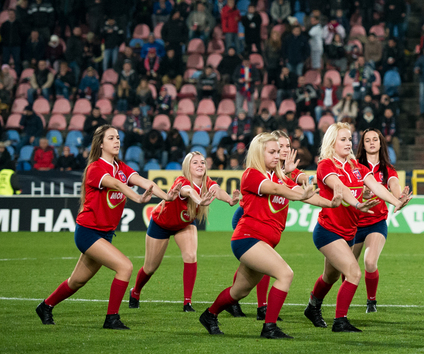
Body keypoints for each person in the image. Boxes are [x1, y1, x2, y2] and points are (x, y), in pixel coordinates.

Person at [36, 126, 178, 329]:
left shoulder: (121, 167)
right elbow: (118, 185)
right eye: (111, 138)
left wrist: (168, 197)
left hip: (105, 234)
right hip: (88, 232)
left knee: (77, 281)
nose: (117, 141)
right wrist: (138, 198)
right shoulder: (95, 168)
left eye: (118, 137)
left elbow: (146, 182)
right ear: (101, 144)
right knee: (125, 267)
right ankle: (111, 319)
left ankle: (45, 306)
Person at [197, 133, 333, 339]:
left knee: (239, 291)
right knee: (285, 274)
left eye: (278, 151)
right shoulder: (252, 174)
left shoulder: (280, 177)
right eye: (272, 152)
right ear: (259, 153)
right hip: (248, 238)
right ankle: (269, 327)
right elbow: (278, 189)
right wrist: (299, 193)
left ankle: (209, 315)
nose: (277, 155)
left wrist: (333, 203)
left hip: (261, 241)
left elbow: (307, 196)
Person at [301, 124, 410, 332]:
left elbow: (377, 186)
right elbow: (340, 188)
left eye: (349, 139)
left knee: (330, 277)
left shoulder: (357, 167)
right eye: (343, 139)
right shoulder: (326, 165)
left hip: (349, 232)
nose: (348, 143)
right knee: (354, 273)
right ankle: (340, 321)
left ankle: (312, 307)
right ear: (332, 142)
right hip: (328, 231)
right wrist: (358, 204)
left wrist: (396, 202)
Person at [129, 152, 241, 311]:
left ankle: (187, 302)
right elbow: (188, 191)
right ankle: (135, 292)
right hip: (161, 224)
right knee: (150, 267)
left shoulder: (207, 182)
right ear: (187, 166)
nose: (200, 165)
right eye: (195, 162)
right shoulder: (182, 181)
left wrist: (230, 200)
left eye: (202, 162)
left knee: (190, 256)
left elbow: (216, 190)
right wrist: (200, 201)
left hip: (185, 224)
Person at [227, 130, 312, 319]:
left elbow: (302, 178)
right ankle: (261, 307)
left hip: (264, 219)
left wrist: (310, 180)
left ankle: (234, 300)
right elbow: (279, 186)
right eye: (280, 146)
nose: (284, 150)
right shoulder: (264, 168)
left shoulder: (284, 168)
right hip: (248, 217)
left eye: (287, 146)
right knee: (262, 261)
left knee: (253, 264)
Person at [352, 129, 405, 312]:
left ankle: (371, 301)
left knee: (370, 262)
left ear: (381, 143)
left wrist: (400, 198)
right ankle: (346, 297)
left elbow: (394, 185)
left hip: (376, 222)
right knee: (347, 267)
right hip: (353, 223)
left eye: (375, 139)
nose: (372, 143)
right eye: (367, 140)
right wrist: (362, 193)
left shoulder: (387, 169)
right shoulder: (354, 166)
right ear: (363, 144)